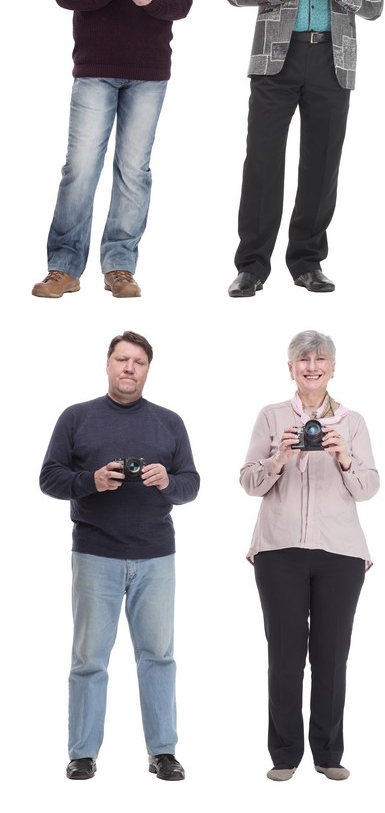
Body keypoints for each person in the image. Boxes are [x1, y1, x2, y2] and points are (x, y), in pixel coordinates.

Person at [32, 0, 193, 300]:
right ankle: (63, 266)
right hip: (95, 66)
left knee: (133, 170)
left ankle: (119, 265)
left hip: (149, 70)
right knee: (80, 168)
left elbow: (182, 1)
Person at [39, 331, 200, 781]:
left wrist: (167, 480)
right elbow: (48, 478)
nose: (129, 368)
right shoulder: (76, 418)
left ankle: (162, 752)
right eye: (122, 360)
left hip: (155, 556)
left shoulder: (169, 422)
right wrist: (91, 481)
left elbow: (191, 484)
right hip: (95, 554)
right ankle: (83, 753)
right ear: (108, 364)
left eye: (139, 362)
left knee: (158, 656)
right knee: (89, 657)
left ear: (148, 370)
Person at [226, 0, 383, 298]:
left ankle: (308, 262)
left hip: (332, 60)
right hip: (277, 59)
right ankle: (252, 266)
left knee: (321, 165)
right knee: (262, 163)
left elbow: (376, 2)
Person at [241, 330, 378, 782]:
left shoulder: (352, 421)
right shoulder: (271, 416)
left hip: (340, 553)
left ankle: (329, 753)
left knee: (331, 655)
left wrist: (342, 457)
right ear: (290, 368)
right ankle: (283, 755)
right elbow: (248, 482)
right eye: (303, 360)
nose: (312, 367)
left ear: (333, 368)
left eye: (320, 360)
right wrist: (279, 457)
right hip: (279, 550)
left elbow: (368, 488)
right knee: (284, 655)